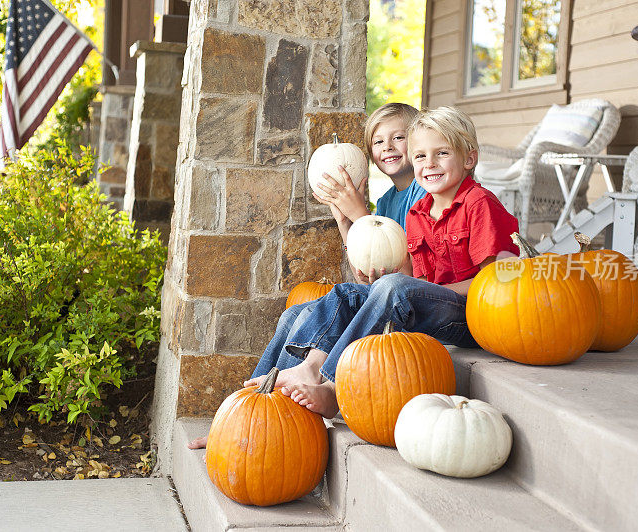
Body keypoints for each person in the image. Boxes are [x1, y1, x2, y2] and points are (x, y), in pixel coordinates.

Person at [242, 106, 520, 419]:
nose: (429, 164)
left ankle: (334, 387)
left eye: (441, 153)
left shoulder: (480, 204)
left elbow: (496, 284)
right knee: (345, 294)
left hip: (472, 319)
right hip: (427, 308)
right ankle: (255, 405)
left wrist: (415, 288)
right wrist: (384, 268)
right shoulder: (418, 214)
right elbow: (407, 275)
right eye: (420, 157)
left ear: (469, 159)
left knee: (395, 288)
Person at [188, 103, 426, 449]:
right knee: (293, 315)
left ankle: (313, 387)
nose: (387, 147)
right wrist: (345, 221)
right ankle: (241, 416)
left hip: (406, 307)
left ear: (417, 139)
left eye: (399, 137)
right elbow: (368, 278)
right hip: (384, 298)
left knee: (338, 299)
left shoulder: (424, 193)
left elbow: (402, 279)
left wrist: (360, 213)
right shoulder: (389, 202)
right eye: (377, 141)